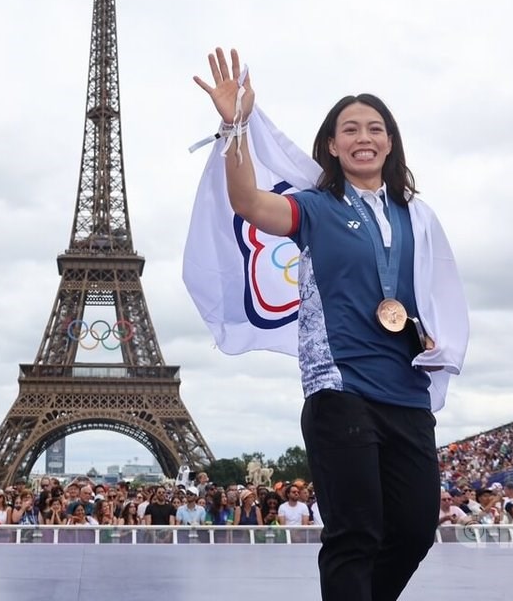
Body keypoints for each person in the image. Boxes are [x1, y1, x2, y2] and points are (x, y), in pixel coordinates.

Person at [195, 48, 468, 601]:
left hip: (407, 389)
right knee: (355, 533)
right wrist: (234, 125)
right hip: (340, 388)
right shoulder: (315, 207)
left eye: (375, 127)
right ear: (332, 145)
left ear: (389, 142)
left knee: (414, 530)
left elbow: (436, 290)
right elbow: (248, 202)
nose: (363, 136)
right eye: (350, 129)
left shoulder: (417, 215)